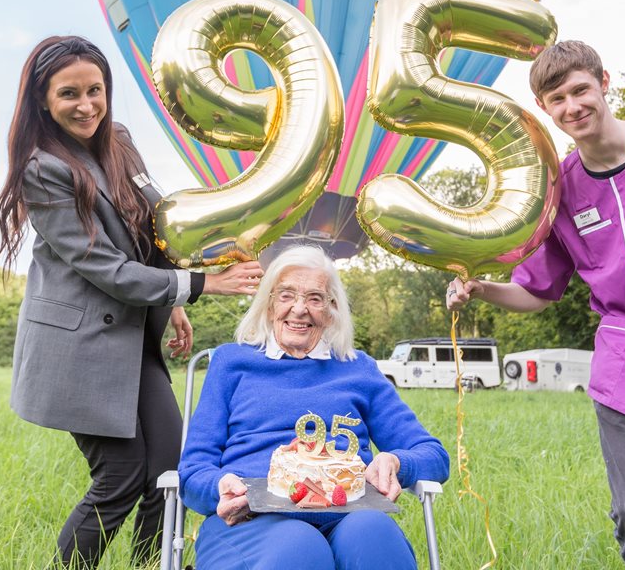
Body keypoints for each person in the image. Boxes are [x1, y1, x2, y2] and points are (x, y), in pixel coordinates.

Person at [0, 35, 264, 569]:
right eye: (69, 93)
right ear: (42, 101)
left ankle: (153, 565)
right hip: (80, 350)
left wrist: (175, 302)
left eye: (95, 90)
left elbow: (153, 224)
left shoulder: (119, 139)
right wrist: (205, 284)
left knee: (168, 467)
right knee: (118, 476)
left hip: (133, 340)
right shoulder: (42, 169)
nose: (86, 105)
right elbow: (107, 269)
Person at [446, 40, 625, 570]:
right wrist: (480, 286)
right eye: (557, 99)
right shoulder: (559, 192)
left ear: (604, 83)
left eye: (580, 90)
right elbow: (537, 291)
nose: (572, 106)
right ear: (545, 109)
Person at [179, 244, 450, 570]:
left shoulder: (357, 368)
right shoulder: (232, 363)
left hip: (349, 513)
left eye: (314, 298)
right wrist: (219, 486)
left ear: (333, 309)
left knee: (373, 532)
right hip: (251, 521)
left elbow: (434, 456)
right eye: (286, 295)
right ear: (268, 305)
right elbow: (193, 472)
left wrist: (395, 461)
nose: (299, 309)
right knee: (300, 546)